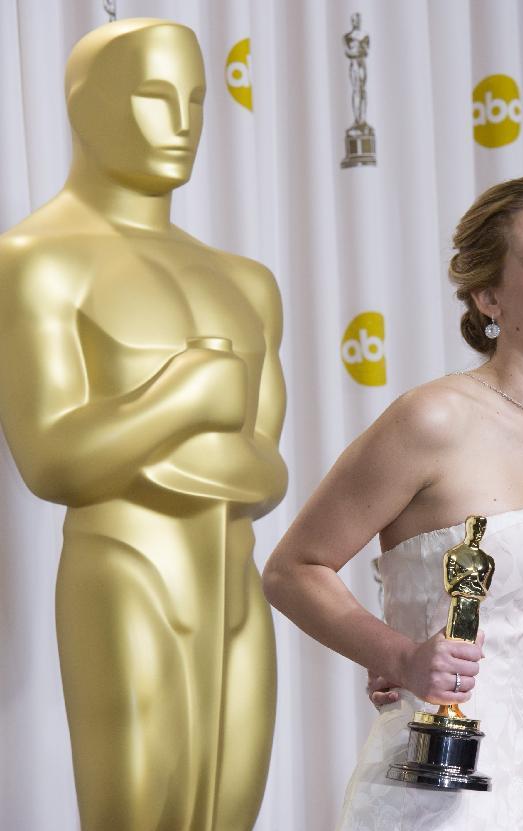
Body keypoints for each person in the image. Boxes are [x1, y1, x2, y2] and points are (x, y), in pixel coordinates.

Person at [0, 19, 287, 830]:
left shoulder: (246, 282)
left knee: (229, 814)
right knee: (135, 812)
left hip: (235, 581)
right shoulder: (36, 259)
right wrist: (182, 399)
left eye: (195, 100)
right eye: (156, 98)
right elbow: (53, 461)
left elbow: (268, 471)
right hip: (123, 568)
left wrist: (148, 445)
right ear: (85, 107)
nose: (184, 124)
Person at [263, 175, 523, 829]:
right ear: (488, 296)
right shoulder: (434, 417)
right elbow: (291, 568)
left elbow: (519, 647)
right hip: (431, 784)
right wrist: (398, 657)